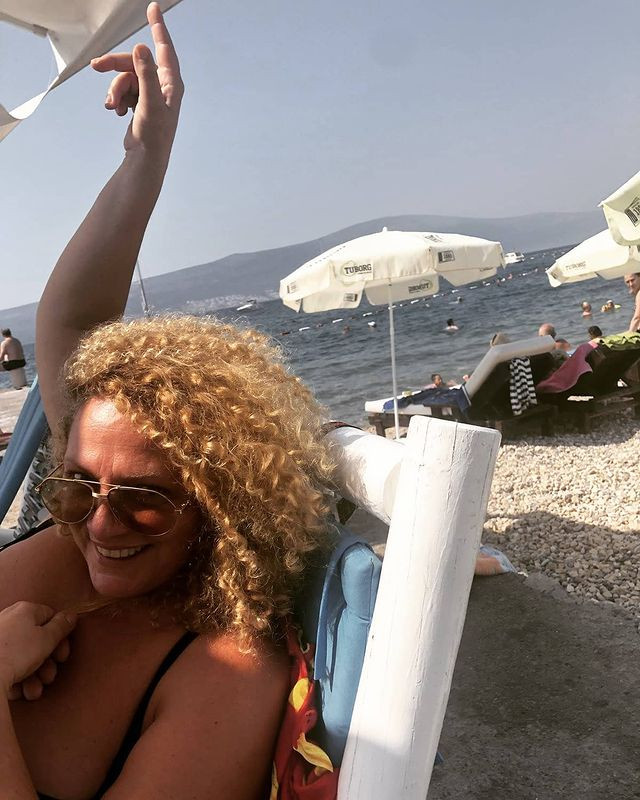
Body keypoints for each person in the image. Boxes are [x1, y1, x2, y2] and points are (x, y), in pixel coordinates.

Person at [0, 7, 337, 798]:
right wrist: (146, 154)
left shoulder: (225, 671)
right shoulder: (86, 527)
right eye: (74, 486)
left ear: (222, 506)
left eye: (145, 501)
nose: (100, 524)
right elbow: (73, 321)